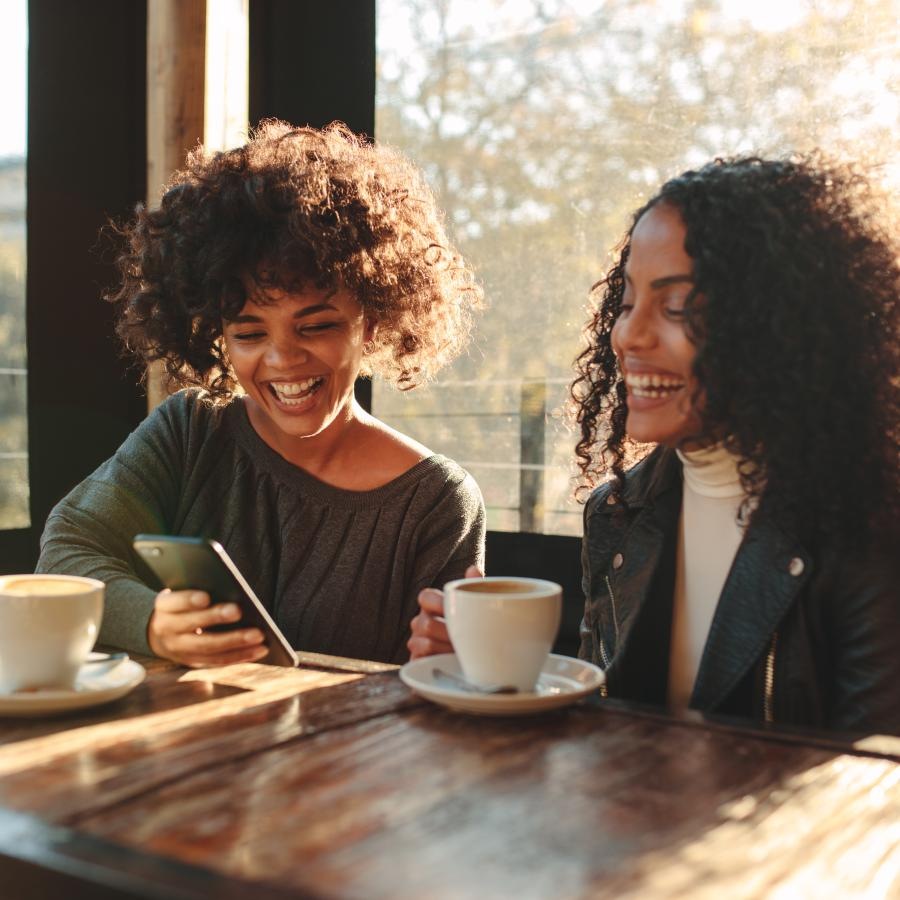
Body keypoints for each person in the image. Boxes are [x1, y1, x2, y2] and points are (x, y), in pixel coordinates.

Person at [411, 153, 900, 735]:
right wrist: (490, 677)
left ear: (783, 326)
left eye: (676, 307)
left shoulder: (870, 529)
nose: (628, 334)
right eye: (625, 302)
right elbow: (603, 740)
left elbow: (874, 790)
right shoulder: (619, 514)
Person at [37, 120, 486, 668]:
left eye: (316, 326)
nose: (282, 360)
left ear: (370, 323)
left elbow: (442, 685)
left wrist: (456, 662)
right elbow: (67, 554)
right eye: (249, 334)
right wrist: (151, 622)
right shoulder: (190, 433)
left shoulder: (435, 501)